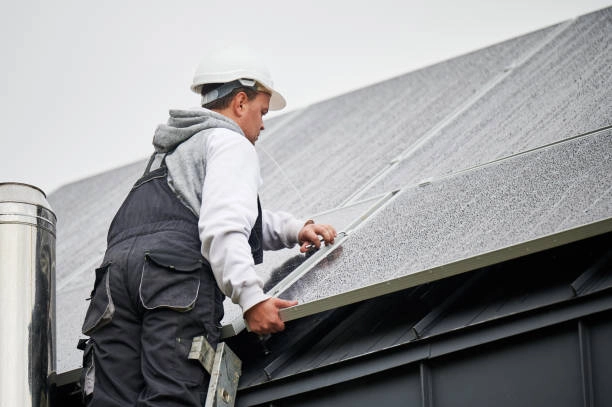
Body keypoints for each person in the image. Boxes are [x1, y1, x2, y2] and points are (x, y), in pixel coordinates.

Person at [79, 47, 337, 406]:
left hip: (112, 285)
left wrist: (295, 230)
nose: (263, 124)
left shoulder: (169, 154)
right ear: (241, 102)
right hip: (170, 280)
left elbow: (206, 214)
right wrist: (251, 298)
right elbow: (222, 224)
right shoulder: (229, 142)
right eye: (262, 111)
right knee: (173, 397)